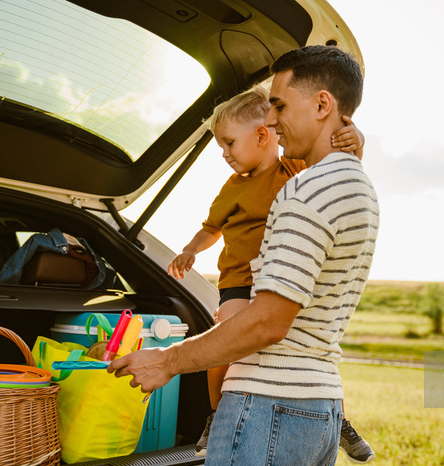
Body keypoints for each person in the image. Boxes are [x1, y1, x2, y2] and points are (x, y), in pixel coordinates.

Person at [108, 44, 379, 466]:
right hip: (319, 407)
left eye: (280, 105)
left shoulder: (304, 188)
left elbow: (269, 321)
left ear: (323, 104)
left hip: (268, 408)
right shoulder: (357, 188)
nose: (271, 120)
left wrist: (169, 360)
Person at [165, 85, 371, 461]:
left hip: (277, 282)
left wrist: (357, 140)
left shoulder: (294, 169)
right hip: (238, 284)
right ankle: (216, 413)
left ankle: (339, 418)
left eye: (229, 143)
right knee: (224, 341)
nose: (225, 154)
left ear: (262, 136)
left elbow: (335, 163)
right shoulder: (231, 189)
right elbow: (211, 229)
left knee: (315, 348)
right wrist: (190, 250)